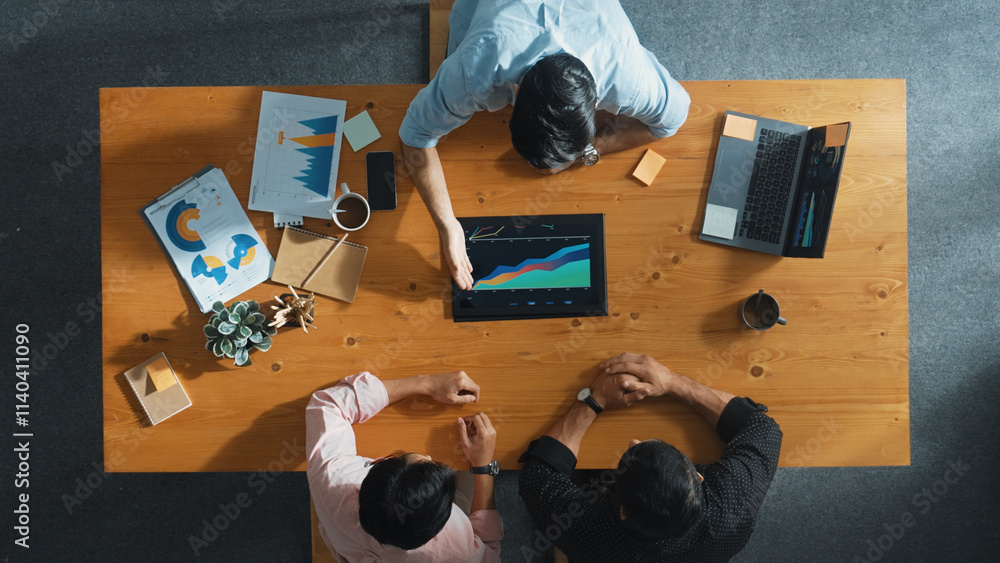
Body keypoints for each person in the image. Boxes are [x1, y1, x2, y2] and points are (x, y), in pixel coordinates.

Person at [399, 0, 691, 290]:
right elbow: (414, 136)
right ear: (512, 94)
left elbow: (673, 120)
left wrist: (591, 150)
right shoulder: (476, 68)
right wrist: (447, 224)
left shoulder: (628, 74)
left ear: (597, 103)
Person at [517, 353, 783, 562]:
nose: (634, 441)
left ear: (622, 511)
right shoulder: (731, 515)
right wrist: (672, 383)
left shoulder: (586, 535)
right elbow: (763, 429)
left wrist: (595, 400)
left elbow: (538, 473)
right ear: (698, 478)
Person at [306, 370, 503, 562]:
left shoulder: (333, 479)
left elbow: (329, 404)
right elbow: (490, 551)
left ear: (379, 466)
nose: (427, 455)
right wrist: (484, 466)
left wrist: (427, 384)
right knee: (466, 460)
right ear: (440, 523)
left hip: (348, 543)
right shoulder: (457, 550)